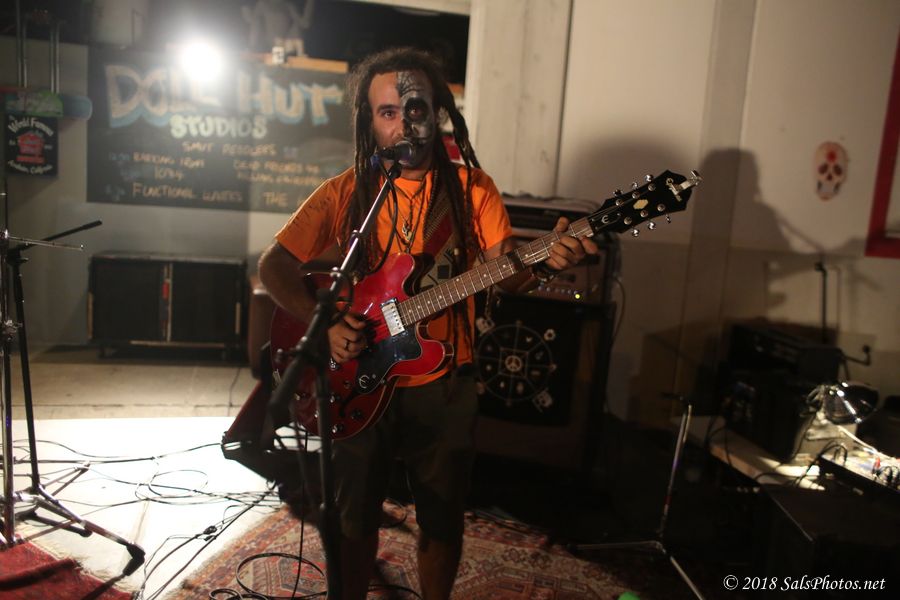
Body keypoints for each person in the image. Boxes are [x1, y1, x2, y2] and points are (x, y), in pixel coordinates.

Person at [258, 46, 598, 600]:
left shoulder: (472, 190)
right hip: (358, 376)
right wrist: (324, 323)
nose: (403, 123)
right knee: (353, 517)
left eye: (414, 108)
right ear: (370, 121)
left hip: (445, 381)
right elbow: (273, 265)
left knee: (442, 520)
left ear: (436, 111)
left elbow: (505, 273)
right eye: (387, 112)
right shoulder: (347, 191)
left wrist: (543, 262)